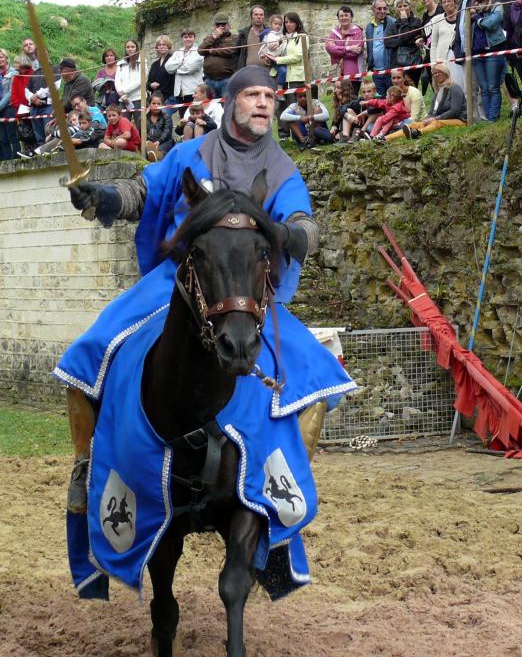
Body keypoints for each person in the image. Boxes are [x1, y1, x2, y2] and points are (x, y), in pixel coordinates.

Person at [58, 66, 353, 594]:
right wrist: (104, 198)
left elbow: (304, 222)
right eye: (253, 97)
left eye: (270, 97)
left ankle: (276, 508)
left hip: (245, 295)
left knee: (316, 380)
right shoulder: (190, 153)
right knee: (89, 352)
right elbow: (143, 192)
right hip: (179, 281)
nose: (263, 105)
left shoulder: (282, 169)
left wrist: (291, 233)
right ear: (230, 102)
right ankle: (85, 465)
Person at [384, 63, 467, 141]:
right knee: (414, 125)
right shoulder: (437, 91)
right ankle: (384, 139)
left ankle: (418, 133)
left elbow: (455, 111)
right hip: (440, 120)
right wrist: (427, 120)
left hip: (459, 120)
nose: (437, 74)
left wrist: (435, 118)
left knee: (435, 123)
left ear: (446, 73)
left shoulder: (455, 87)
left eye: (440, 72)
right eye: (434, 73)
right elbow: (431, 112)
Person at [324, 6, 365, 88]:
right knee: (339, 99)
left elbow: (355, 53)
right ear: (338, 18)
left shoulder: (358, 32)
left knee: (352, 98)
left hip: (353, 73)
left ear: (351, 17)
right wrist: (348, 48)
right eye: (341, 16)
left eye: (346, 15)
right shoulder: (334, 32)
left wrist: (337, 51)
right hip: (337, 73)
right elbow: (329, 49)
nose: (344, 18)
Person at [198, 15, 238, 98]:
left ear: (229, 25)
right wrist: (214, 37)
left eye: (223, 24)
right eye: (218, 25)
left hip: (227, 79)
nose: (221, 27)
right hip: (209, 80)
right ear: (214, 26)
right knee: (210, 107)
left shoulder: (234, 37)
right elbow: (200, 50)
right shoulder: (209, 38)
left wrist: (213, 50)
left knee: (227, 107)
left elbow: (231, 51)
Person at [0, 49, 19, 161]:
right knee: (3, 139)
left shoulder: (14, 73)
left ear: (6, 58)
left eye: (1, 57)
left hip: (9, 108)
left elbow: (10, 92)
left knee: (13, 137)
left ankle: (16, 158)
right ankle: (7, 160)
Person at [363, 0, 395, 97]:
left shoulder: (393, 23)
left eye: (385, 8)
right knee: (380, 100)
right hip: (376, 72)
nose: (382, 11)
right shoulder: (369, 27)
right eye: (379, 8)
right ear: (373, 9)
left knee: (393, 98)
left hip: (389, 70)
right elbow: (369, 47)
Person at [164, 30, 204, 109]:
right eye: (185, 37)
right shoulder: (177, 52)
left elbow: (190, 68)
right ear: (182, 39)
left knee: (195, 116)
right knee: (183, 118)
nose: (188, 39)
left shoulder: (198, 51)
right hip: (179, 92)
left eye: (190, 37)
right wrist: (181, 62)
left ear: (194, 38)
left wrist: (176, 70)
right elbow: (168, 67)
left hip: (193, 91)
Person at [235, 6, 270, 72]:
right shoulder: (244, 34)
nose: (259, 17)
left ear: (264, 17)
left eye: (261, 15)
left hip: (266, 72)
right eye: (256, 14)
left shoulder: (270, 33)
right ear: (251, 17)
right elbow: (236, 53)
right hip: (248, 73)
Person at [142, 94, 174, 162]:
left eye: (159, 104)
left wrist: (159, 141)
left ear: (162, 105)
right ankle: (153, 154)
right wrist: (143, 116)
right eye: (153, 103)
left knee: (161, 149)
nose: (156, 106)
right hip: (149, 142)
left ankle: (157, 156)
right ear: (149, 105)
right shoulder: (145, 117)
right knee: (146, 146)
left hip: (164, 142)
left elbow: (167, 132)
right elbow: (140, 130)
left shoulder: (166, 116)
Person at [116, 39, 143, 117]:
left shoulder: (141, 62)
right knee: (122, 123)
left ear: (136, 48)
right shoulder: (121, 63)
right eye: (128, 47)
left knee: (140, 124)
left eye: (132, 47)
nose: (130, 49)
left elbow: (141, 80)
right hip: (123, 99)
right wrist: (123, 96)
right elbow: (117, 81)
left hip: (138, 98)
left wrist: (124, 91)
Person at [147, 36, 176, 105]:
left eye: (164, 44)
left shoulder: (173, 59)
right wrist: (151, 85)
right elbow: (148, 82)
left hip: (170, 96)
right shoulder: (154, 64)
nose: (161, 47)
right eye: (159, 45)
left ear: (168, 46)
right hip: (156, 98)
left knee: (165, 115)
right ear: (157, 48)